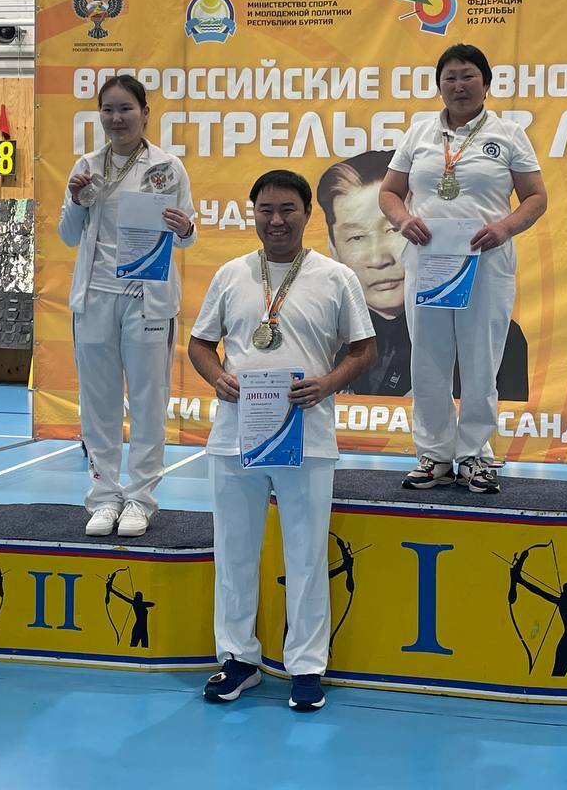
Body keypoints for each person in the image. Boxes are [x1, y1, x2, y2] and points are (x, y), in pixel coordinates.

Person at [189, 170, 376, 713]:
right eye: (265, 209)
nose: (276, 220)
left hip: (306, 436)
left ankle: (307, 667)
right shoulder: (231, 275)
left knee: (306, 555)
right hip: (236, 436)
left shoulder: (336, 277)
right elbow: (200, 344)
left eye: (287, 209)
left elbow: (363, 350)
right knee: (234, 551)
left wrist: (327, 384)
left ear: (307, 214)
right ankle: (238, 660)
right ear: (254, 214)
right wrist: (217, 377)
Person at [379, 43, 547, 493]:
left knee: (481, 360)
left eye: (468, 76)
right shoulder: (419, 133)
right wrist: (403, 220)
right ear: (439, 86)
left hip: (485, 262)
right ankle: (434, 454)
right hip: (429, 262)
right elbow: (389, 192)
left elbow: (536, 197)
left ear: (486, 84)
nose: (459, 85)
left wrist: (505, 227)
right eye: (449, 77)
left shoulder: (509, 134)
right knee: (428, 358)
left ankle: (475, 454)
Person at [59, 74, 197, 538]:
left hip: (147, 299)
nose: (116, 118)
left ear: (145, 113)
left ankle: (140, 498)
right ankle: (103, 497)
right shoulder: (87, 166)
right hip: (95, 298)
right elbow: (68, 235)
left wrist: (184, 228)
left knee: (148, 401)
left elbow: (187, 236)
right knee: (97, 403)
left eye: (126, 109)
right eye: (108, 110)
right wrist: (76, 200)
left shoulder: (168, 167)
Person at [316, 150, 529, 398]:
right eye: (356, 237)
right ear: (333, 248)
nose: (379, 259)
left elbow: (508, 421)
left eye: (394, 230)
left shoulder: (492, 335)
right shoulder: (322, 334)